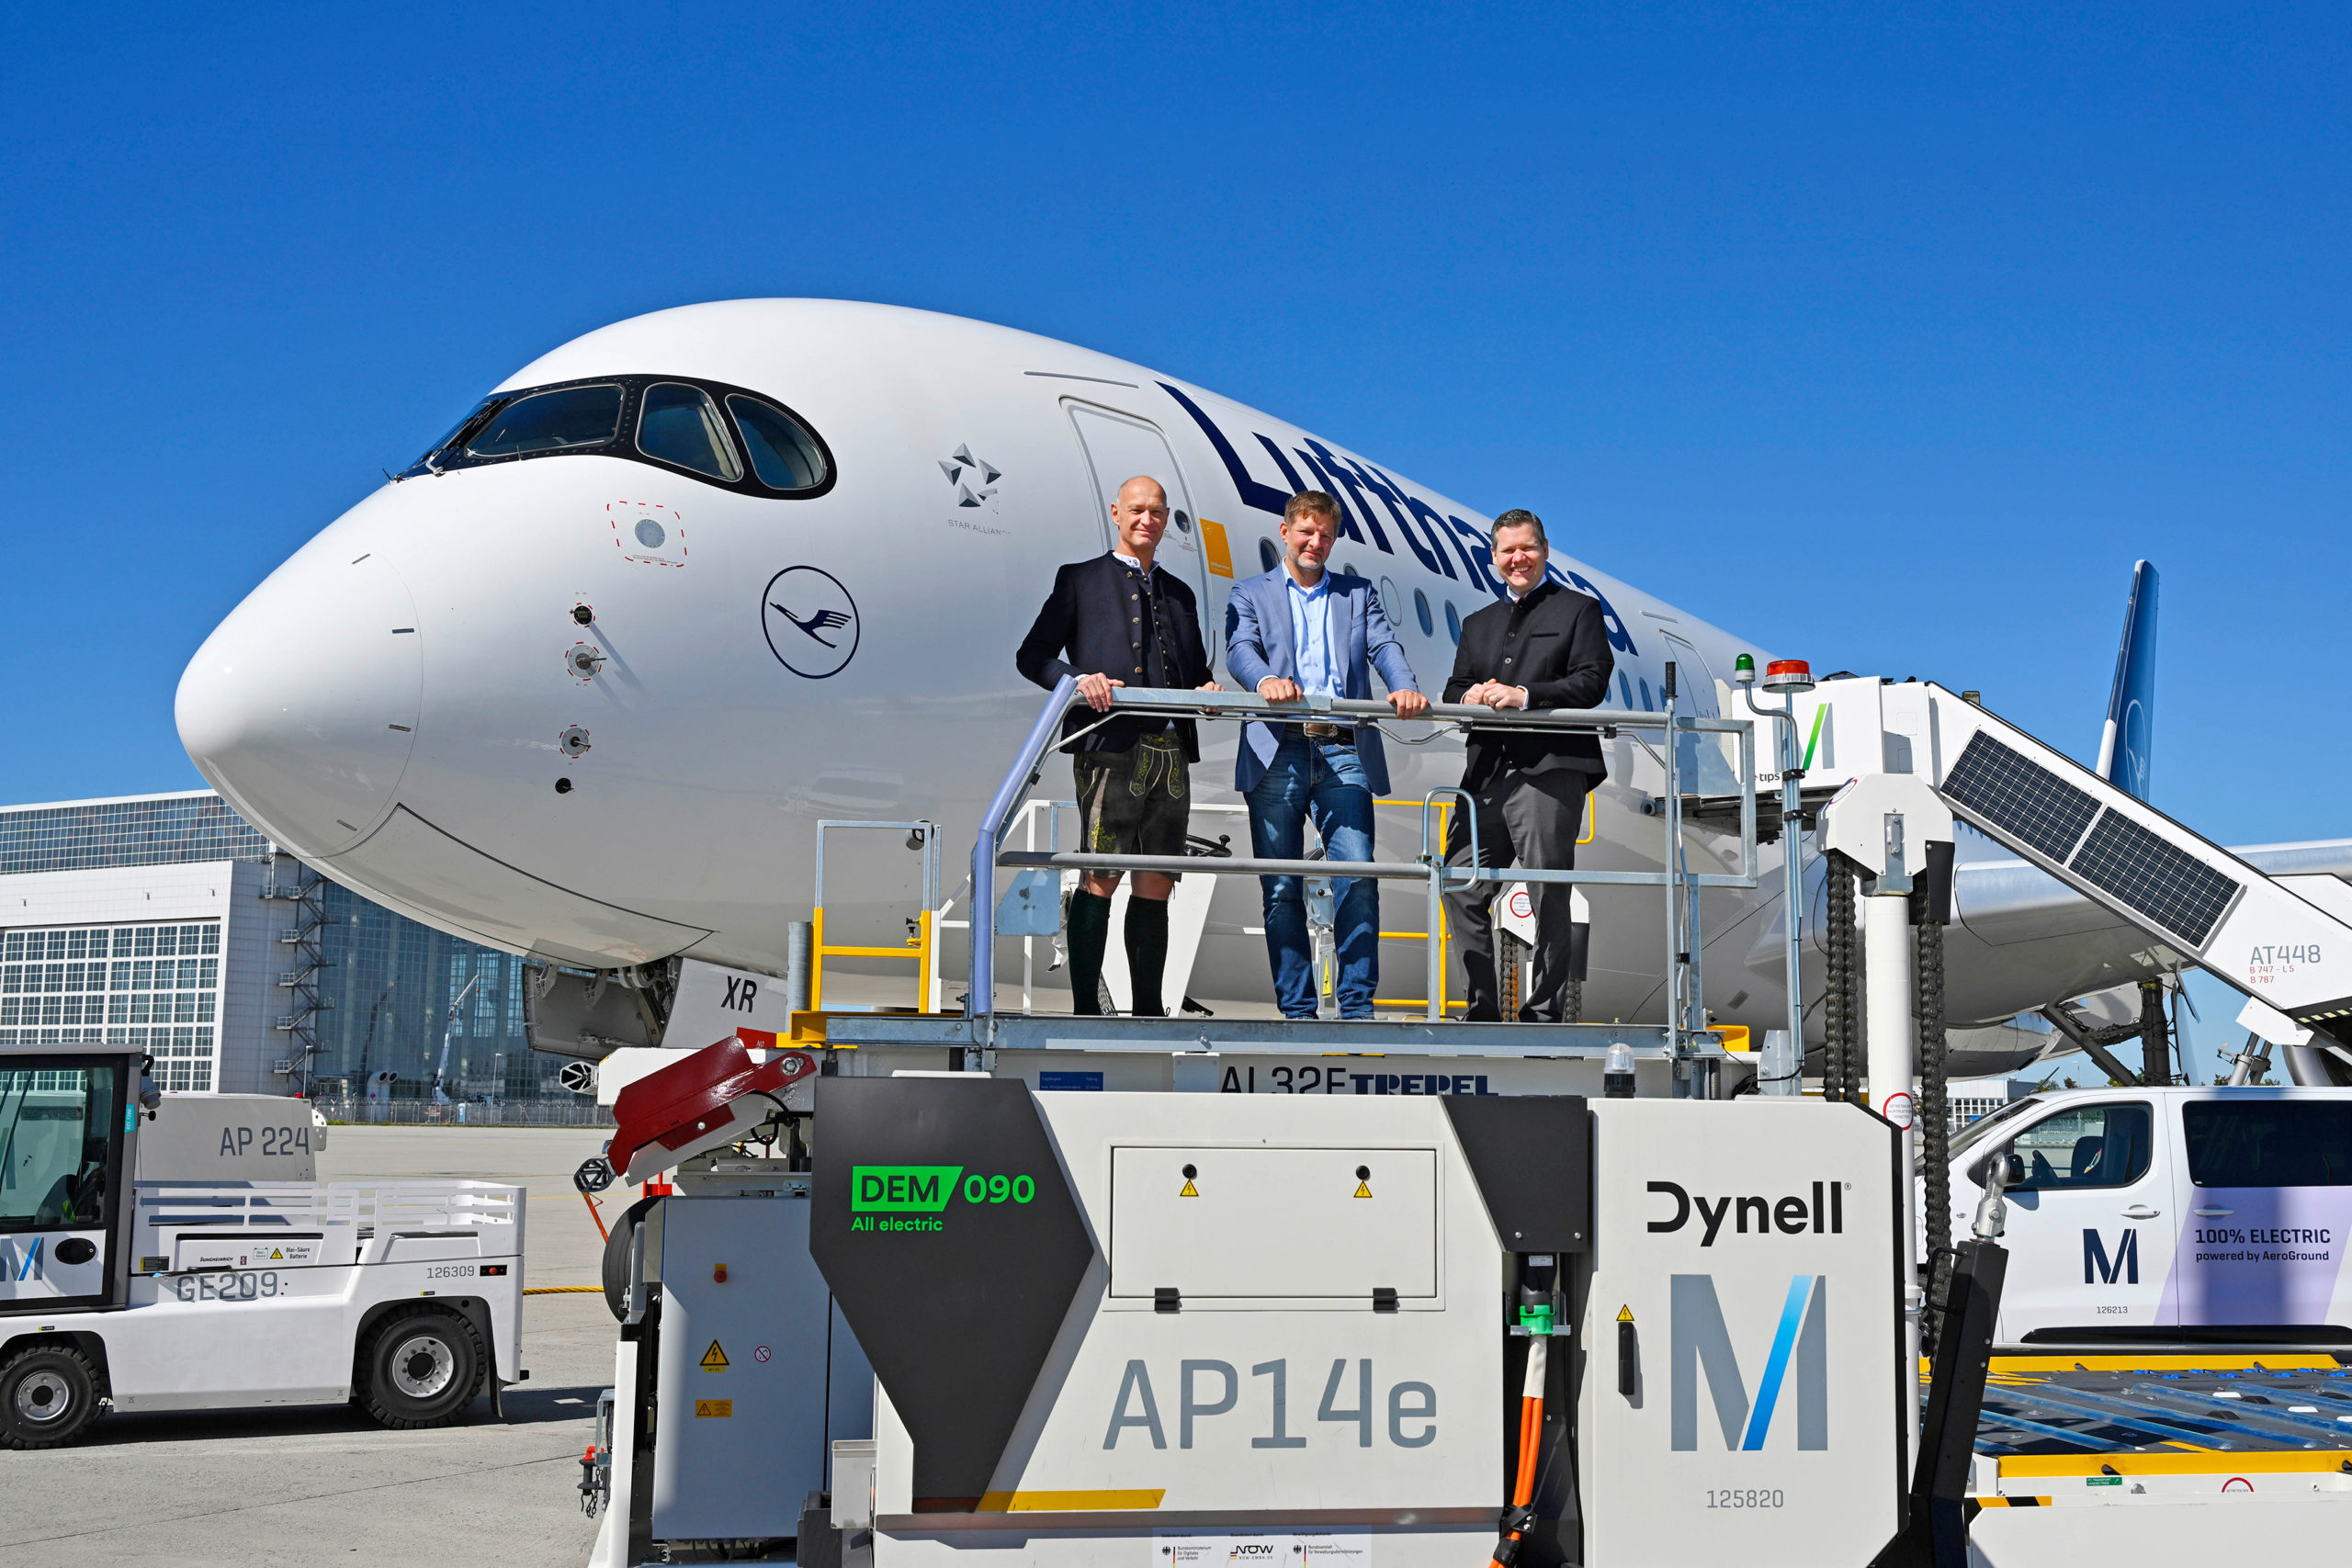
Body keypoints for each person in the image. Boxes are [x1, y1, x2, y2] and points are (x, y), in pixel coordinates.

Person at [1015, 476, 1221, 1016]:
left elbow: (1194, 669)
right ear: (1116, 513)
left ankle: (1148, 1011)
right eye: (1136, 510)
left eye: (1156, 512)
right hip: (1108, 746)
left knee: (1157, 881)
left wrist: (1206, 689)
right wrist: (1078, 680)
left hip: (1171, 752)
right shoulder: (1080, 580)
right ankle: (1086, 1008)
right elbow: (1032, 656)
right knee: (1101, 875)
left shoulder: (1180, 593)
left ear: (1166, 518)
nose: (1146, 520)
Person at [1226, 491, 1428, 1018]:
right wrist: (1264, 679)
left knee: (1357, 875)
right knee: (1280, 887)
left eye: (1326, 535)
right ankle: (1297, 1011)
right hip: (1277, 748)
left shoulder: (1357, 595)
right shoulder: (1250, 593)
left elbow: (1384, 647)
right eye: (1306, 532)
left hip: (1343, 747)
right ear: (1286, 532)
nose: (1315, 543)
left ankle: (1358, 1008)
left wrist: (1403, 686)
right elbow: (1240, 649)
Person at [1441, 508, 1614, 1021]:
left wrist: (1526, 695)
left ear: (1544, 550)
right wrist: (1469, 695)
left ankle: (1543, 1013)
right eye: (1508, 550)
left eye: (1527, 547)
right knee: (1458, 882)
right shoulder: (1478, 624)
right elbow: (1453, 688)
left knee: (1548, 893)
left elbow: (1592, 681)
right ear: (1494, 557)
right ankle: (1482, 1010)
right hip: (1486, 774)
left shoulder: (1578, 610)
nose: (1518, 558)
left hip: (1548, 769)